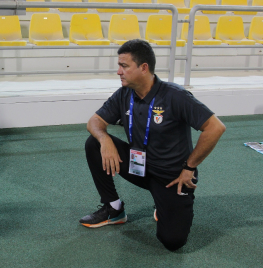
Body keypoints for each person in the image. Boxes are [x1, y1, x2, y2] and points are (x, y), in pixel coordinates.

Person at [80, 39, 226, 251]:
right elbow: (94, 122)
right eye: (119, 65)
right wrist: (105, 140)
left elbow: (215, 128)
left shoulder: (175, 96)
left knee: (173, 241)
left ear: (143, 67)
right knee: (93, 143)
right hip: (138, 166)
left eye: (124, 66)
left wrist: (190, 167)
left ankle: (163, 204)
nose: (119, 71)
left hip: (172, 178)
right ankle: (113, 208)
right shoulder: (124, 93)